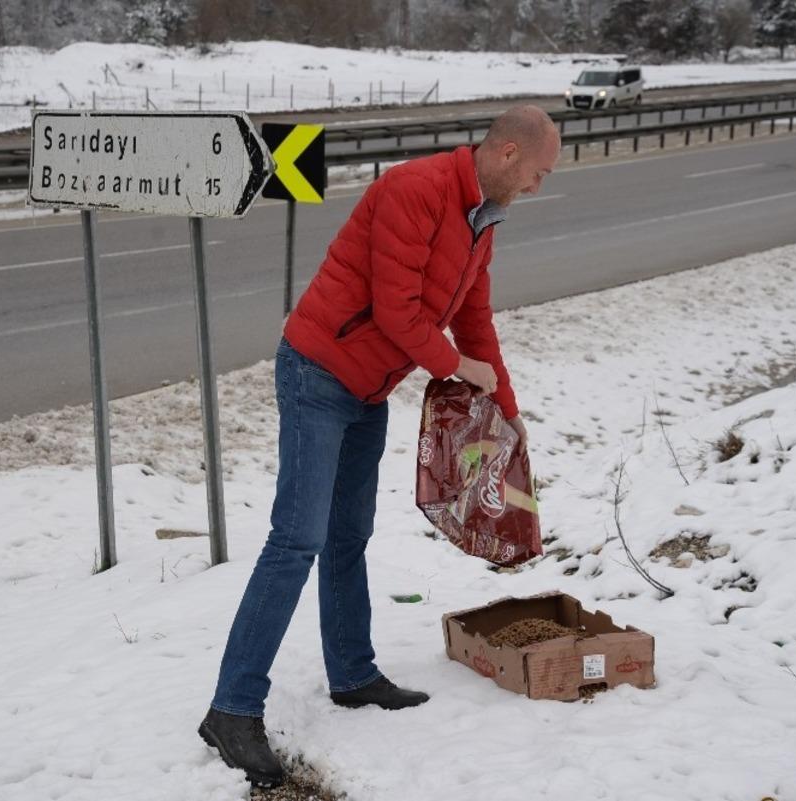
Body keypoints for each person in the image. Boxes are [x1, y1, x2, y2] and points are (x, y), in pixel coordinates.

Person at [198, 105, 561, 788]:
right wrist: (456, 367)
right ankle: (233, 707)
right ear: (508, 153)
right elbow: (398, 312)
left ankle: (353, 673)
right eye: (540, 172)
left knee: (347, 537)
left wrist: (507, 417)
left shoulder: (480, 221)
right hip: (316, 372)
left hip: (365, 389)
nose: (541, 185)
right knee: (296, 538)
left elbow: (476, 322)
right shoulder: (414, 190)